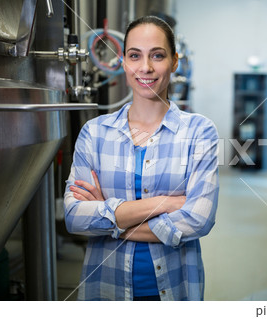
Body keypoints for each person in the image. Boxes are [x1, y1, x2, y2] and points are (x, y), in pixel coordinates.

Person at [64, 16, 219, 301]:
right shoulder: (95, 133)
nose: (145, 67)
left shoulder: (199, 131)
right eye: (135, 56)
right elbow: (74, 217)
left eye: (157, 55)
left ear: (174, 61)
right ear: (123, 61)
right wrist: (165, 204)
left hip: (174, 291)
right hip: (107, 290)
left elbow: (198, 219)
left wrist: (107, 219)